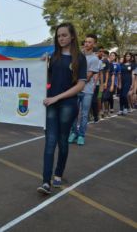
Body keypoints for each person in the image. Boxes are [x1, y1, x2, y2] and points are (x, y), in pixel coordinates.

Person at [37, 22, 87, 195]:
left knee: (62, 141)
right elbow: (42, 76)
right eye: (59, 36)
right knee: (50, 141)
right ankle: (45, 181)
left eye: (64, 35)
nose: (61, 38)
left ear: (72, 36)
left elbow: (81, 85)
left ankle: (58, 173)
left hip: (67, 105)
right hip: (51, 103)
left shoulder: (80, 58)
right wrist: (41, 63)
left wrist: (57, 97)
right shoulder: (53, 56)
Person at [69, 34, 99, 145]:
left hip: (87, 90)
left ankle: (81, 135)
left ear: (94, 44)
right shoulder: (77, 56)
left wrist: (75, 81)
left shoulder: (95, 59)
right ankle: (73, 133)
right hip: (75, 89)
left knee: (84, 114)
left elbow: (88, 76)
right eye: (86, 41)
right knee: (73, 112)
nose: (87, 44)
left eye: (90, 42)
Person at [101, 50, 114, 117]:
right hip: (101, 82)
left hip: (107, 82)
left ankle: (107, 110)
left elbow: (110, 74)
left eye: (103, 55)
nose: (102, 56)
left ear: (106, 55)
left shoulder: (109, 63)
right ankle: (103, 111)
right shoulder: (102, 61)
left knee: (106, 97)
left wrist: (111, 84)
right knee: (102, 97)